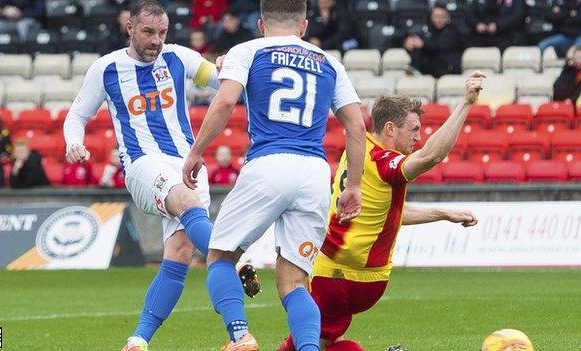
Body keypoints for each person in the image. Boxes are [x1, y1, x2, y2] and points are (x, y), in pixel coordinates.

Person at [181, 0, 367, 349]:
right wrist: (353, 185)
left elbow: (223, 103)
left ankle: (240, 337)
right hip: (314, 172)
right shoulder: (329, 63)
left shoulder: (249, 49)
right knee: (295, 281)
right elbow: (356, 125)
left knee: (220, 257)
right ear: (303, 26)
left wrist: (195, 152)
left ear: (262, 25)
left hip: (269, 162)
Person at [277, 72, 484, 351]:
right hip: (346, 278)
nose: (418, 136)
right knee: (313, 343)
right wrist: (466, 103)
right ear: (389, 128)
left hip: (337, 275)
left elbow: (384, 213)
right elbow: (431, 156)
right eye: (413, 129)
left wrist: (443, 213)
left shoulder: (356, 149)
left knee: (311, 341)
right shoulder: (383, 161)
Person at [62, 2, 221, 350]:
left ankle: (139, 340)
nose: (156, 41)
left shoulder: (179, 57)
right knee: (187, 203)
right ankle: (232, 260)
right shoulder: (106, 68)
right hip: (143, 164)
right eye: (148, 32)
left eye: (162, 33)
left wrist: (227, 68)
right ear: (129, 27)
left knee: (179, 253)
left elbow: (219, 79)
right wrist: (73, 143)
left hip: (188, 163)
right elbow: (76, 116)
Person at [403, 3, 463, 78]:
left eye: (442, 16)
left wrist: (423, 44)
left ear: (448, 17)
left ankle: (416, 70)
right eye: (436, 16)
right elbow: (420, 42)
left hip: (447, 66)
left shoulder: (453, 31)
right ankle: (414, 70)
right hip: (430, 66)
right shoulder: (427, 29)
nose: (439, 19)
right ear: (431, 17)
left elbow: (440, 46)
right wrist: (410, 44)